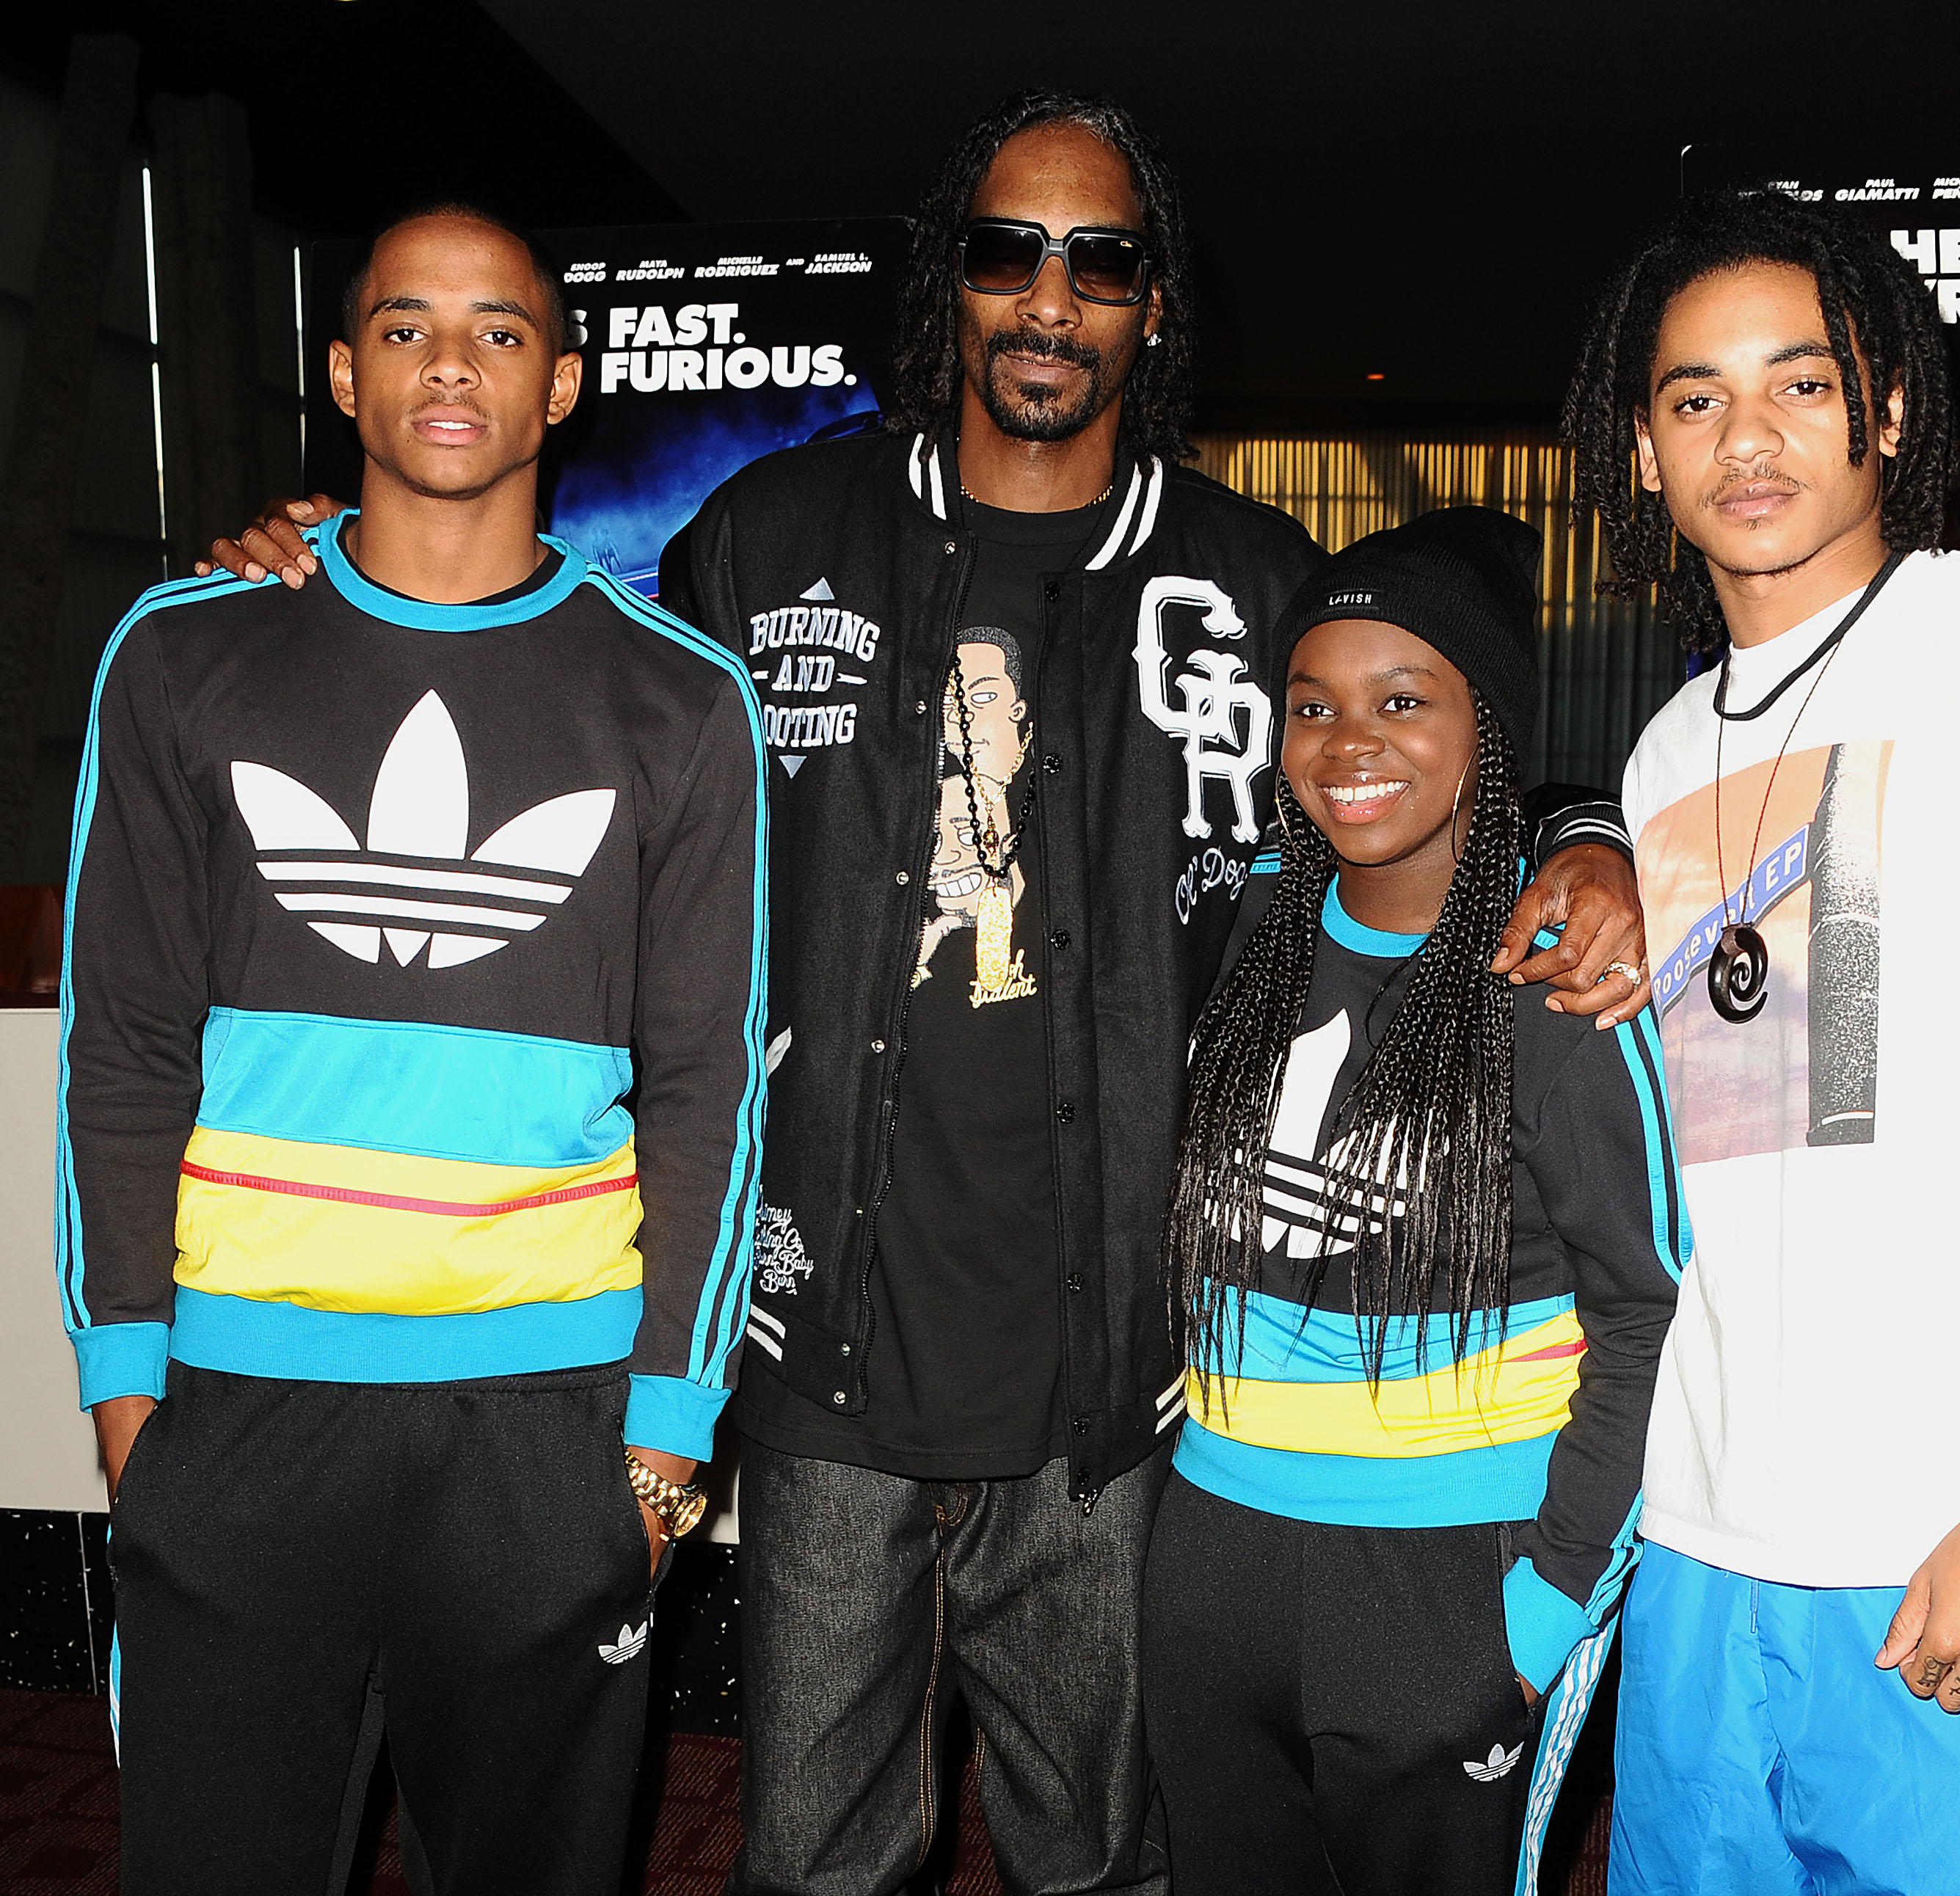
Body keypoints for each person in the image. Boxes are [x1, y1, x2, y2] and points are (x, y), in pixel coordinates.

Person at [201, 95, 1647, 1895]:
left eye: (1102, 259)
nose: (1051, 297)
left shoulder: (1252, 576)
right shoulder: (764, 536)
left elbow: (1440, 745)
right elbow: (547, 672)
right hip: (821, 1366)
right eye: (1008, 250)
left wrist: (1594, 834)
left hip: (1123, 1386)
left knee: (1102, 1860)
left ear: (1152, 303)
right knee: (810, 1859)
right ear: (949, 283)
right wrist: (321, 573)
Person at [59, 203, 767, 1895]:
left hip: (548, 1427)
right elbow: (124, 1044)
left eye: (501, 329)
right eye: (405, 324)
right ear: (343, 369)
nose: (452, 359)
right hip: (232, 1416)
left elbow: (712, 1083)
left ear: (564, 382)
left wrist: (666, 1440)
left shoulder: (680, 698)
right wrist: (127, 1397)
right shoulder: (183, 650)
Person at [1560, 187, 1960, 1896]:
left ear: (1892, 409)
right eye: (1694, 396)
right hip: (1702, 1535)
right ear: (1641, 446)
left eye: (1801, 383)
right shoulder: (1663, 748)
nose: (1746, 436)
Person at [1139, 508, 1683, 1896]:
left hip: (1456, 1571)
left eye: (1402, 700)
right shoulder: (1249, 925)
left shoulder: (1555, 979)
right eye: (1312, 705)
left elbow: (1646, 1310)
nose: (1349, 742)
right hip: (1216, 1557)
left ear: (1485, 722)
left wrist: (1550, 1602)